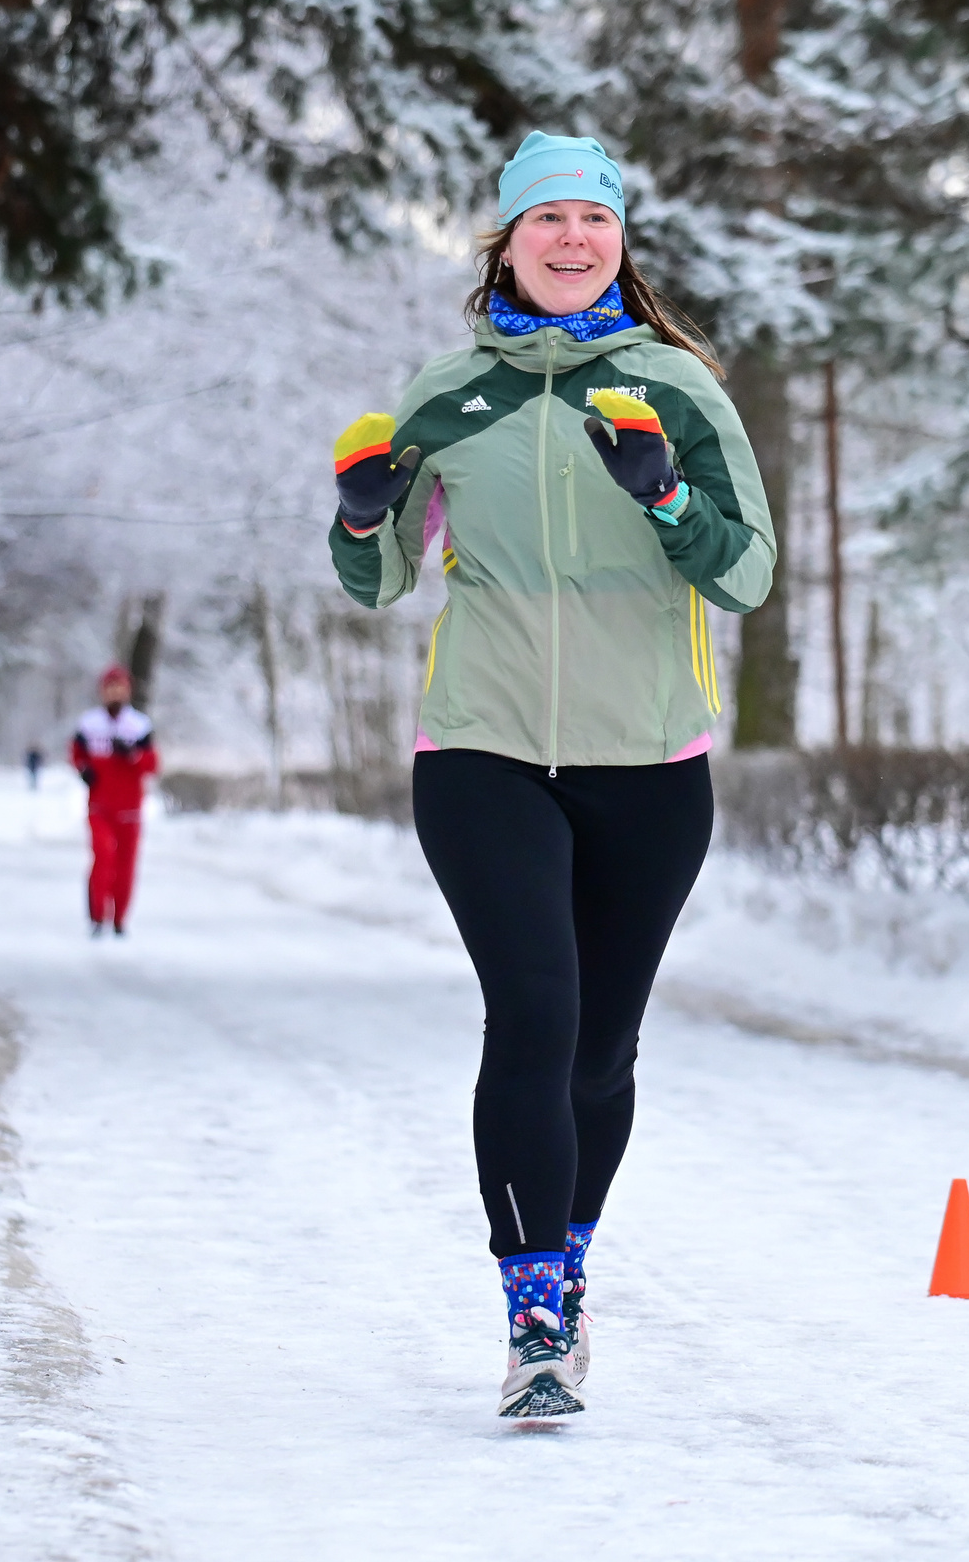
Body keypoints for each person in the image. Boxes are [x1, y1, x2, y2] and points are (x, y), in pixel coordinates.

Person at [327, 131, 777, 1419]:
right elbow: (375, 581)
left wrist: (668, 496)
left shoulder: (676, 388)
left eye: (595, 218)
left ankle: (569, 1264)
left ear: (619, 242)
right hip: (482, 747)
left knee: (599, 1049)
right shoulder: (447, 389)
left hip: (648, 759)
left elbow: (743, 574)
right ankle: (532, 1313)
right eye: (548, 219)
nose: (572, 239)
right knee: (532, 1013)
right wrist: (362, 514)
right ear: (505, 240)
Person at [70, 664, 158, 935]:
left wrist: (132, 754)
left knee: (125, 865)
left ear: (128, 691)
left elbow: (152, 765)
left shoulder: (139, 726)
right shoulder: (89, 724)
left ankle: (119, 918)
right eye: (110, 689)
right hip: (100, 807)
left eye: (120, 688)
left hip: (130, 809)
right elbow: (76, 754)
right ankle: (97, 915)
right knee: (103, 856)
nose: (115, 694)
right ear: (102, 692)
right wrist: (84, 770)